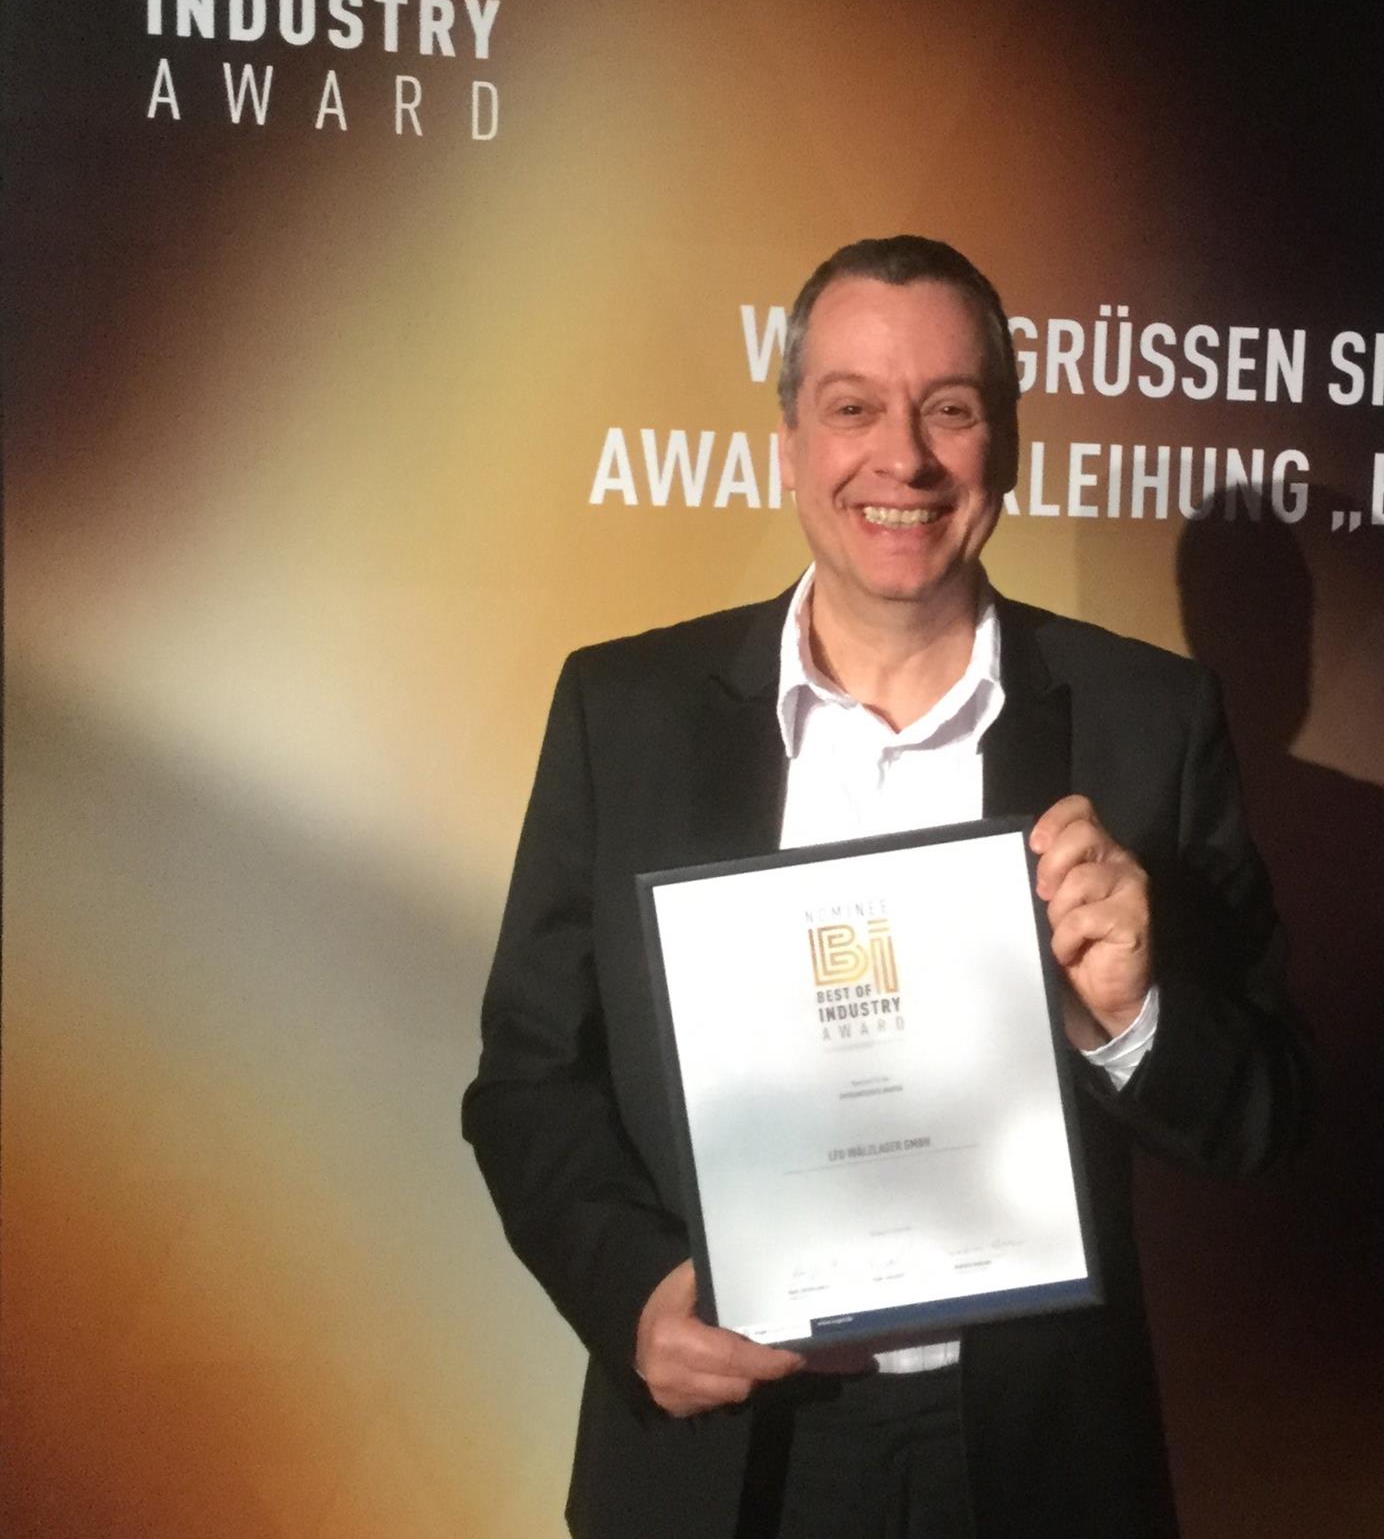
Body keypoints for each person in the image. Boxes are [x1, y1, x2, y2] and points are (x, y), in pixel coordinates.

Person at [463, 236, 1310, 1539]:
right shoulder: (623, 711)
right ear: (790, 443)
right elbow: (528, 1076)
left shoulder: (1147, 720)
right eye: (853, 406)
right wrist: (633, 1295)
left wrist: (1131, 1018)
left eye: (949, 409)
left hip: (1031, 1468)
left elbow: (1264, 1117)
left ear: (1005, 443)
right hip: (719, 1466)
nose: (902, 459)